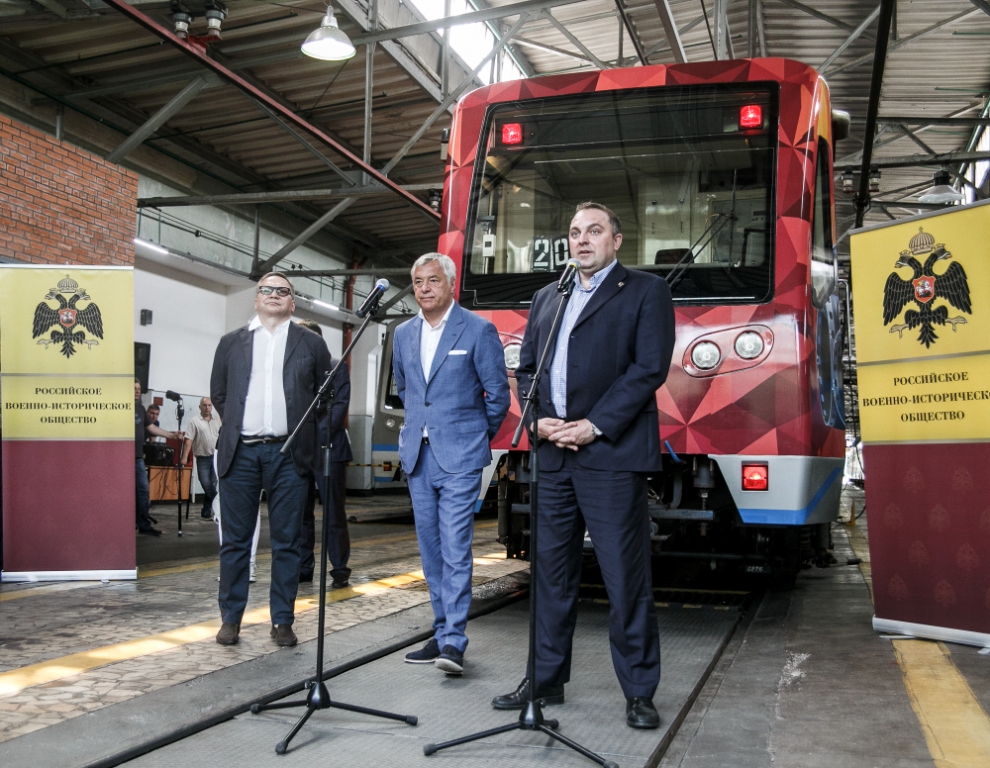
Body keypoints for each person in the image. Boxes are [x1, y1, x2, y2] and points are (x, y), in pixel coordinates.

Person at [492, 203, 675, 729]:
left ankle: (639, 690)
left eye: (594, 231)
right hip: (553, 456)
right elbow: (526, 369)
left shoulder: (645, 291)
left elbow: (648, 369)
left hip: (610, 456)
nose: (582, 240)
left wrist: (594, 425)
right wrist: (542, 422)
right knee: (549, 575)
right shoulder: (550, 297)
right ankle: (545, 679)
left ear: (617, 240)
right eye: (574, 233)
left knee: (625, 577)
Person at [392, 253, 510, 675]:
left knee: (456, 549)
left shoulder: (478, 330)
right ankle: (441, 631)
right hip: (419, 458)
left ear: (451, 285)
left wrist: (474, 436)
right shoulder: (402, 334)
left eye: (432, 281)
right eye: (418, 281)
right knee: (431, 554)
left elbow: (498, 396)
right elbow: (406, 390)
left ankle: (455, 643)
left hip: (459, 457)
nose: (424, 288)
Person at [210, 272, 333, 648]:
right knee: (235, 541)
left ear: (293, 303)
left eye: (284, 291)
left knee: (287, 542)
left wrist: (303, 437)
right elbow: (219, 394)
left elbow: (323, 399)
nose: (275, 295)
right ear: (256, 298)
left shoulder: (311, 345)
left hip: (289, 455)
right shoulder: (231, 343)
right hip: (241, 453)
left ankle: (282, 620)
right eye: (267, 289)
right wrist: (240, 426)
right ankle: (231, 618)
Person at [295, 320, 353, 589]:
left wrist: (316, 437)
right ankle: (304, 566)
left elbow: (339, 406)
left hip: (330, 448)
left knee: (333, 513)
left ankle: (339, 568)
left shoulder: (337, 367)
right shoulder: (295, 369)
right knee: (301, 513)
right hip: (301, 449)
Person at [134, 379, 183, 537]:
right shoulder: (120, 407)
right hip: (122, 458)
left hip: (137, 459)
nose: (137, 391)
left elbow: (152, 428)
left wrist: (171, 435)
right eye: (134, 388)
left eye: (139, 388)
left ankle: (143, 525)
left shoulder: (141, 409)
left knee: (143, 490)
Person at [180, 398, 222, 519]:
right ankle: (221, 504)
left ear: (212, 406)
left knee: (213, 484)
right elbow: (188, 441)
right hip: (202, 458)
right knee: (206, 484)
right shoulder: (194, 421)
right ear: (200, 407)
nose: (207, 407)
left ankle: (206, 509)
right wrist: (184, 458)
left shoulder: (218, 420)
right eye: (204, 405)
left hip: (216, 457)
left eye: (209, 405)